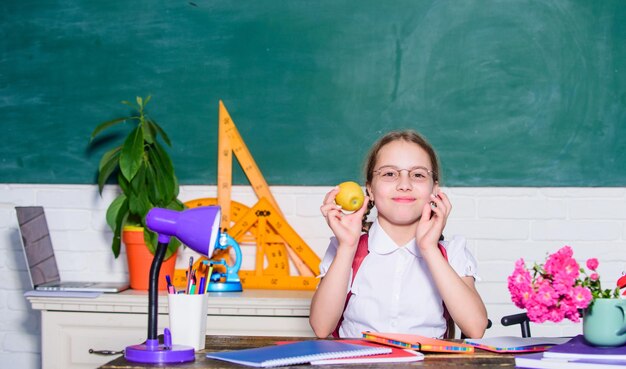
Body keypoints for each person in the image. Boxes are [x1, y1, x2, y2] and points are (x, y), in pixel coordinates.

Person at [309, 130, 488, 339]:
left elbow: (476, 327)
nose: (404, 185)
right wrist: (347, 247)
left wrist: (429, 249)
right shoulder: (344, 249)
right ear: (370, 189)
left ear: (435, 189)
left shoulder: (452, 253)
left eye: (418, 175)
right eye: (389, 174)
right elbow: (321, 327)